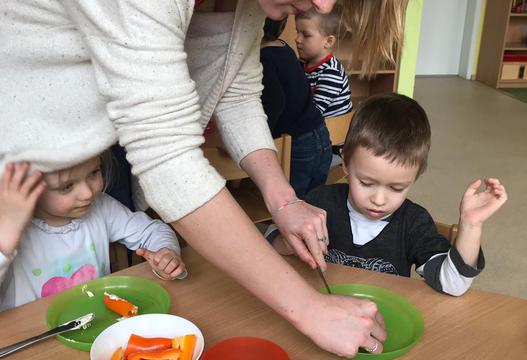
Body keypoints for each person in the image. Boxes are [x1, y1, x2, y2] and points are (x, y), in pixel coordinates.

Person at [0, 0, 409, 356]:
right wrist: (308, 308)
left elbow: (237, 92)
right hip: (20, 170)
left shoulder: (249, 8)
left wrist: (282, 199)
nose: (322, 6)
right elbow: (167, 157)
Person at [267, 93, 508, 296]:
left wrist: (471, 226)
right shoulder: (320, 202)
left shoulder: (414, 223)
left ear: (416, 176)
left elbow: (453, 285)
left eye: (396, 188)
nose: (379, 200)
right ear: (346, 163)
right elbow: (269, 243)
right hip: (321, 311)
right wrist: (286, 241)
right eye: (366, 182)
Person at [0, 155, 185, 311]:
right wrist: (5, 239)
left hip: (95, 322)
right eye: (66, 186)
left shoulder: (101, 207)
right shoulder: (7, 227)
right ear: (24, 187)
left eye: (94, 172)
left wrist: (165, 252)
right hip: (31, 338)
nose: (88, 192)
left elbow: (150, 231)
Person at [261, 18, 332, 197]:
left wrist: (263, 137)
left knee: (294, 200)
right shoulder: (285, 48)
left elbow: (275, 102)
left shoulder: (264, 58)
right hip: (320, 133)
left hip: (299, 142)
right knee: (315, 198)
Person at [296, 6, 353, 118]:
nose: (297, 39)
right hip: (316, 123)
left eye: (306, 35)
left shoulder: (331, 71)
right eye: (297, 32)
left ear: (328, 41)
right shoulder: (301, 63)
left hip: (334, 129)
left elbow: (314, 112)